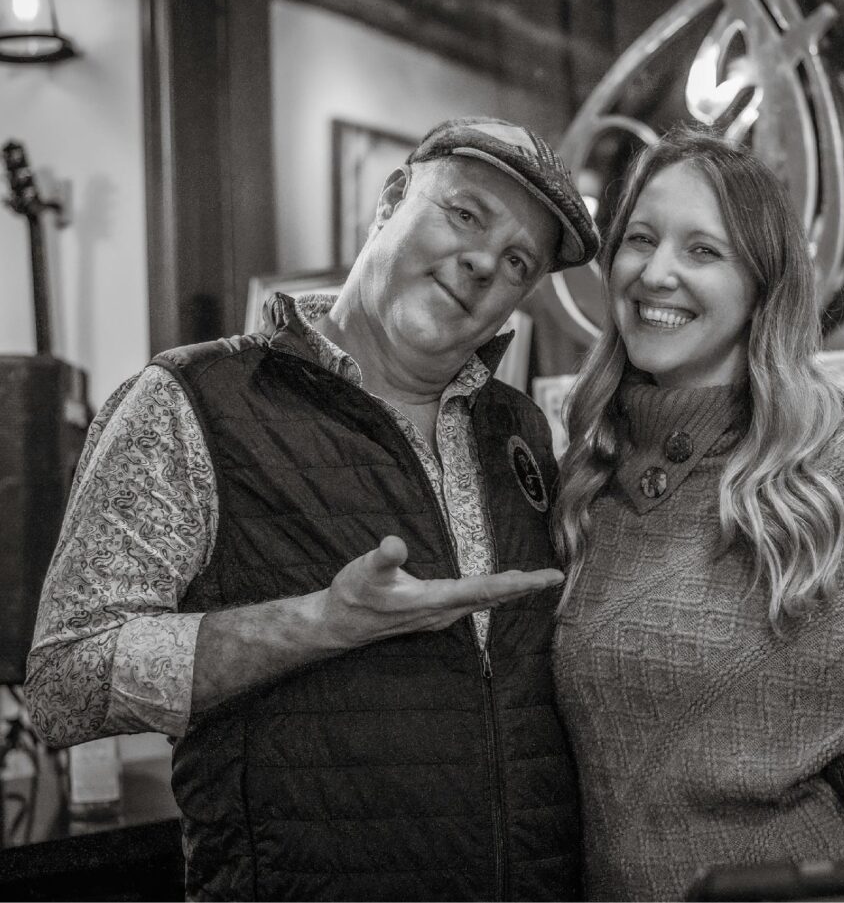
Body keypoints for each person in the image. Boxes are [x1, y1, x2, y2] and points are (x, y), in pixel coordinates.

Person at [25, 117, 600, 902]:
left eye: (516, 261)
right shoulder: (194, 402)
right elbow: (64, 682)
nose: (481, 263)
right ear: (390, 199)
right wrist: (322, 622)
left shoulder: (520, 430)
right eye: (466, 214)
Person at [550, 126, 844, 900]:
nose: (656, 271)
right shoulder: (590, 476)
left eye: (703, 250)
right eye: (640, 238)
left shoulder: (834, 471)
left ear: (760, 288)